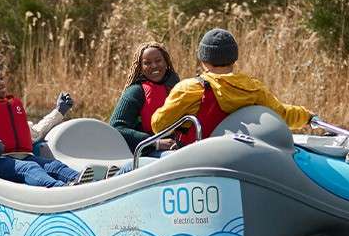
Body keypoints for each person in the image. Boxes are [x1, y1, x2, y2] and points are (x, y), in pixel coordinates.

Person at [151, 28, 314, 142]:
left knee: (133, 165)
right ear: (234, 59)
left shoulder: (190, 89)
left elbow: (159, 125)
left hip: (195, 161)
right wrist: (307, 116)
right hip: (237, 163)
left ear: (203, 60)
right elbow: (283, 114)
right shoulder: (253, 88)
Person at [109, 42, 181, 157]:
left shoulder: (178, 86)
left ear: (166, 62)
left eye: (158, 61)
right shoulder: (135, 91)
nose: (154, 66)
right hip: (147, 152)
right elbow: (116, 127)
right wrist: (155, 142)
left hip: (178, 147)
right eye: (147, 63)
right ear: (140, 68)